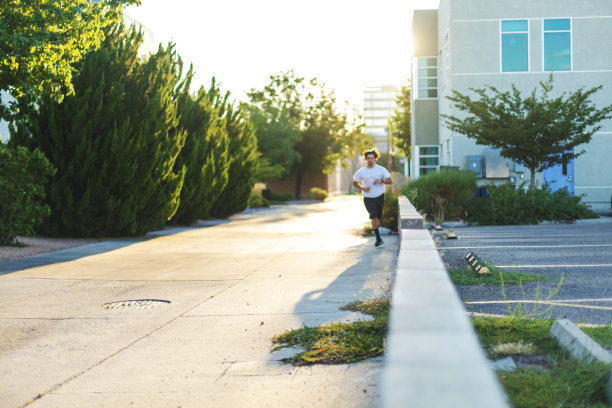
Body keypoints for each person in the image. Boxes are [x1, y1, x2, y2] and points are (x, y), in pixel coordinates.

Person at [352, 148, 392, 247]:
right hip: (368, 198)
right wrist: (362, 188)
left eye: (372, 158)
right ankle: (378, 239)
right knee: (373, 215)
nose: (370, 160)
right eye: (368, 158)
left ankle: (378, 233)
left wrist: (381, 181)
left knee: (378, 216)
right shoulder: (361, 172)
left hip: (380, 196)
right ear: (365, 159)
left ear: (375, 159)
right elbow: (354, 183)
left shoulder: (381, 169)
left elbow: (390, 181)